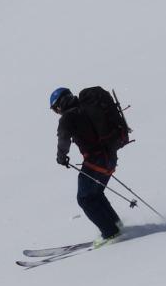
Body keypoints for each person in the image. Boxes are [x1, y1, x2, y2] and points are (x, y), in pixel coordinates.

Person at [50, 86, 122, 244]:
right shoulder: (87, 107)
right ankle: (117, 226)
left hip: (96, 161)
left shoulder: (68, 118)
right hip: (110, 157)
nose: (57, 112)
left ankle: (110, 233)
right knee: (95, 195)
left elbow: (63, 140)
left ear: (60, 104)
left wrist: (61, 157)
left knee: (85, 199)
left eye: (56, 109)